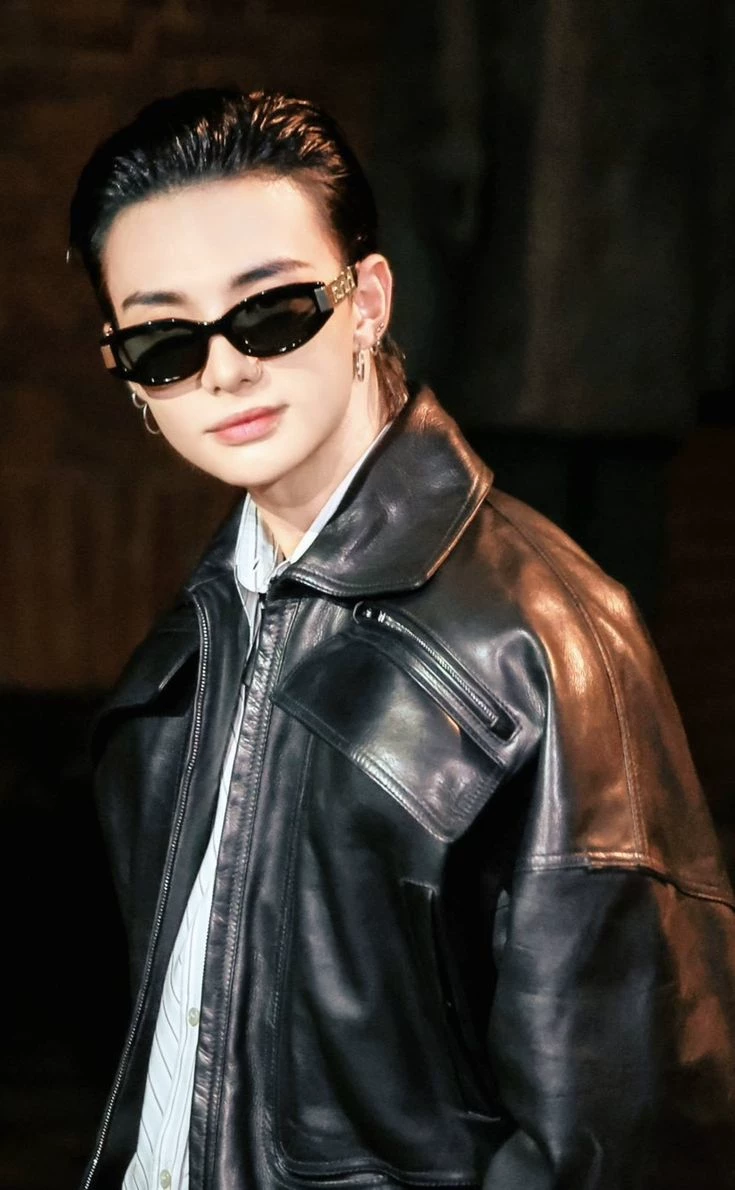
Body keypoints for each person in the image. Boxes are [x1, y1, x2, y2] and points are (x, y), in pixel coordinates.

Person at [68, 87, 735, 1190]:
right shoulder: (196, 639)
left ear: (367, 299)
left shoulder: (544, 638)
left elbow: (626, 1127)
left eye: (272, 310)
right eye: (164, 340)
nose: (225, 369)